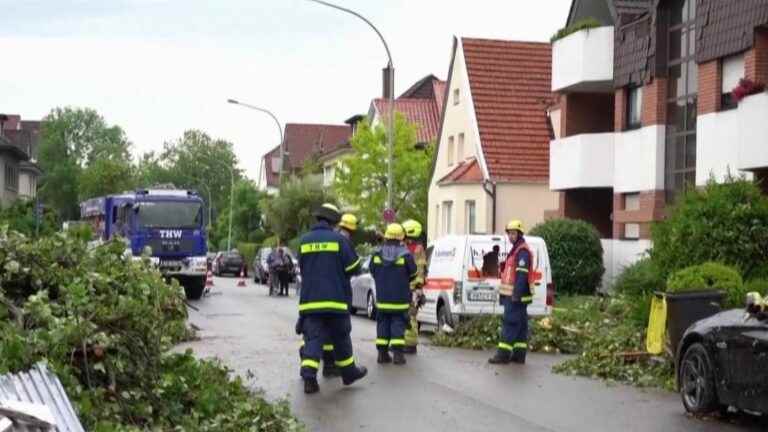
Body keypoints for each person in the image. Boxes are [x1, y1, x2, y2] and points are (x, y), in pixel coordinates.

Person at [296, 203, 367, 394]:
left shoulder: (304, 241)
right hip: (336, 300)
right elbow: (354, 268)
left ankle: (310, 378)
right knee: (341, 338)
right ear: (334, 221)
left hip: (311, 301)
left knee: (313, 339)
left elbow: (302, 268)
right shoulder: (339, 241)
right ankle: (349, 373)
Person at [369, 223, 417, 365]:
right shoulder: (405, 254)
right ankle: (397, 355)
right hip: (399, 299)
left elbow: (372, 271)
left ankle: (382, 354)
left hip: (382, 298)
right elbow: (414, 273)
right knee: (398, 324)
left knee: (382, 324)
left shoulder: (377, 253)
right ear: (401, 237)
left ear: (387, 236)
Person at [489, 220, 533, 365]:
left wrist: (516, 294)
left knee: (510, 322)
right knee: (520, 325)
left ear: (519, 234)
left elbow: (522, 275)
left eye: (513, 233)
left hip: (516, 295)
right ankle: (519, 355)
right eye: (509, 233)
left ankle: (503, 355)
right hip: (514, 295)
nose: (511, 236)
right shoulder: (516, 250)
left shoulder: (522, 251)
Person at [401, 219, 427, 354]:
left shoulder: (416, 249)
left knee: (410, 316)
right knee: (406, 316)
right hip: (408, 287)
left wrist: (418, 288)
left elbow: (420, 270)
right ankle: (404, 342)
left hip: (412, 288)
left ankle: (410, 345)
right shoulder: (412, 247)